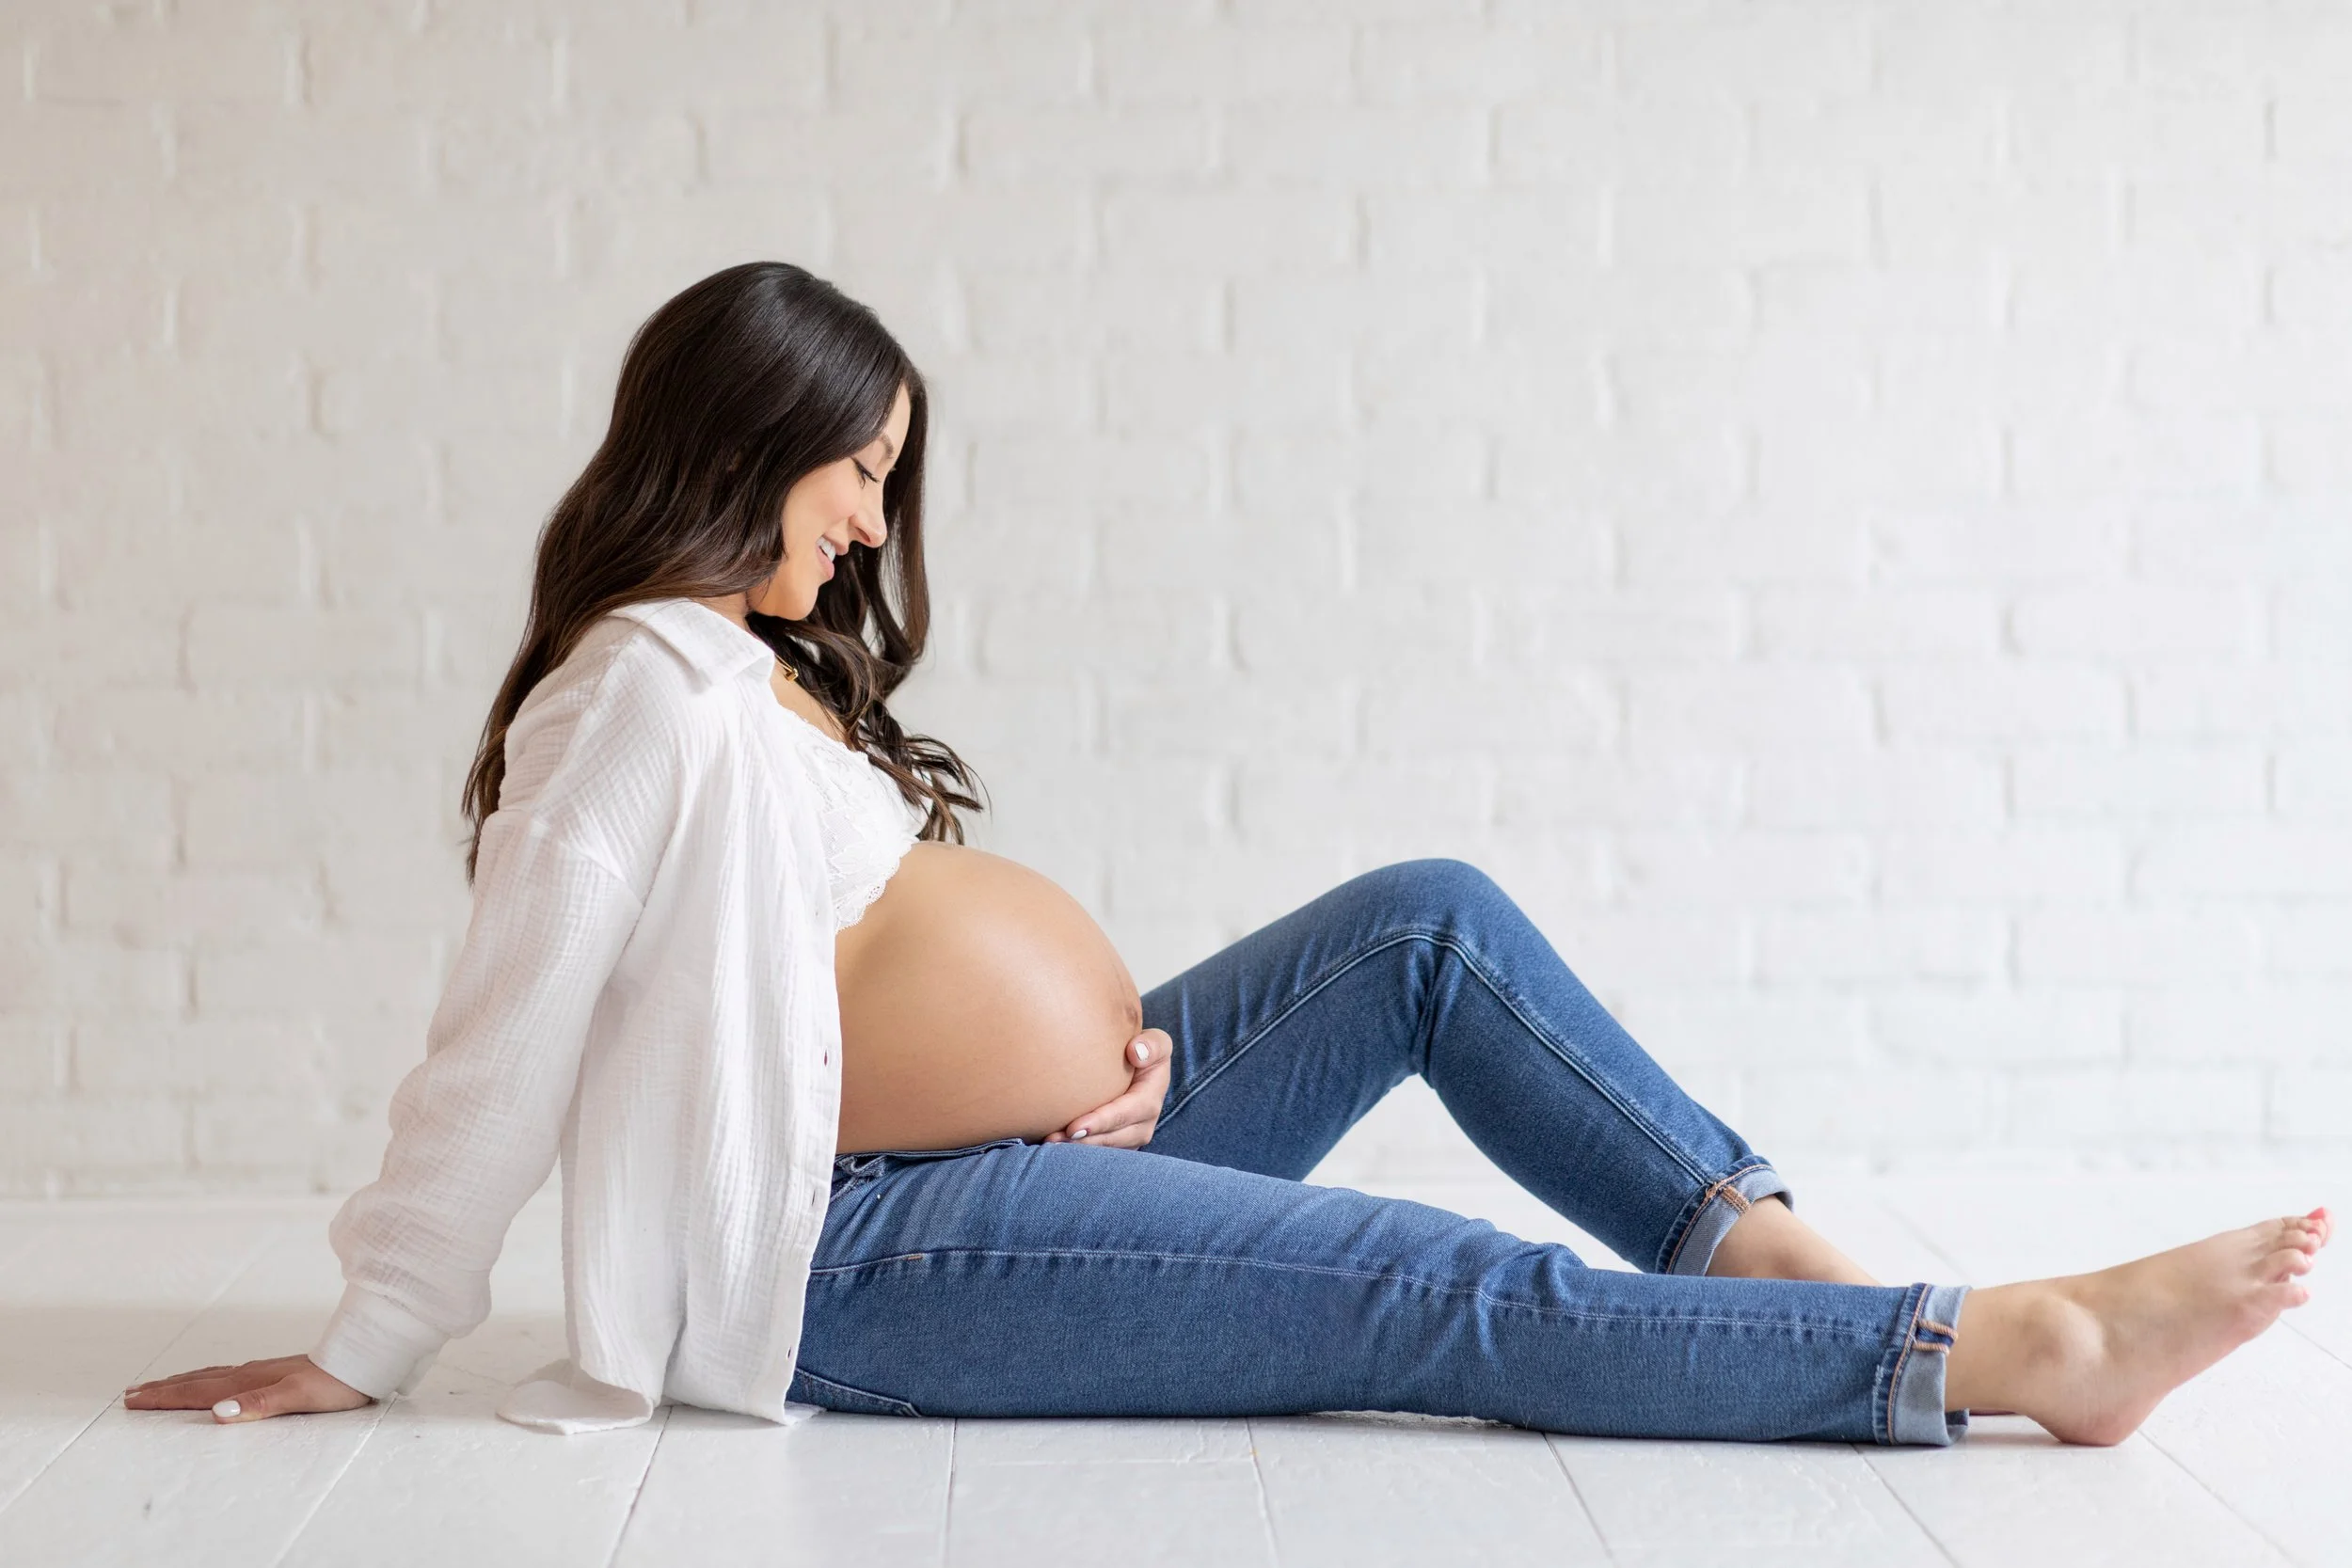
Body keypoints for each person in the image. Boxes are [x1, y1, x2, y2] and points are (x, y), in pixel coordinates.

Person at [124, 262, 2330, 1447]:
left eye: (890, 476)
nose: (875, 520)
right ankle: (2000, 1348)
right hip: (860, 1260)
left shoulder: (770, 677)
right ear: (744, 436)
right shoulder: (638, 679)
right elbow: (511, 1012)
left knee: (1422, 928)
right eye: (856, 470)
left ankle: (1772, 1263)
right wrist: (383, 1326)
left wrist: (1099, 1063)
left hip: (1004, 1159)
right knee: (1436, 1286)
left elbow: (857, 976)